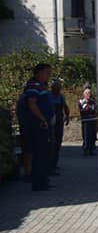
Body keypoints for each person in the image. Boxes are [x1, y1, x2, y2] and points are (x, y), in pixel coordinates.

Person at [20, 63, 54, 191]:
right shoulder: (33, 85)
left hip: (43, 124)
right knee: (39, 154)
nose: (48, 75)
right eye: (47, 73)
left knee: (44, 153)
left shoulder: (41, 86)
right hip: (38, 125)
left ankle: (43, 180)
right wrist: (42, 118)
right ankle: (38, 182)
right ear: (39, 73)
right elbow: (32, 104)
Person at [49, 79, 69, 175]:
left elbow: (65, 107)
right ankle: (50, 165)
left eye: (59, 88)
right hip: (51, 122)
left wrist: (67, 117)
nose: (58, 90)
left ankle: (54, 163)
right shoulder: (48, 96)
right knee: (51, 144)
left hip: (59, 122)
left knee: (57, 143)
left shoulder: (61, 97)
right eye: (56, 88)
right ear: (52, 89)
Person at [79, 87, 98, 156]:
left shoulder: (93, 101)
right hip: (86, 121)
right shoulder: (82, 101)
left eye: (90, 93)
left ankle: (91, 149)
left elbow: (95, 110)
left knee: (93, 136)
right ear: (84, 94)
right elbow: (86, 109)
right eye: (87, 93)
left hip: (93, 120)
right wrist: (90, 108)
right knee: (86, 136)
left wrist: (92, 109)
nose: (89, 95)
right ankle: (86, 149)